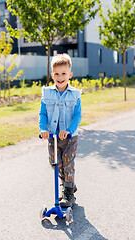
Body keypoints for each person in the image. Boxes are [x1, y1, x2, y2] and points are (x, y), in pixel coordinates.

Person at [39, 53, 82, 208]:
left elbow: (78, 116)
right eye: (56, 74)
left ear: (70, 75)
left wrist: (69, 130)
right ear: (52, 75)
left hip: (70, 138)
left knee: (67, 164)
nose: (60, 77)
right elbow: (43, 113)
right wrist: (43, 129)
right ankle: (69, 183)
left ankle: (68, 192)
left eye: (64, 73)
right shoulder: (47, 93)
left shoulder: (75, 94)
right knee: (54, 163)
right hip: (53, 136)